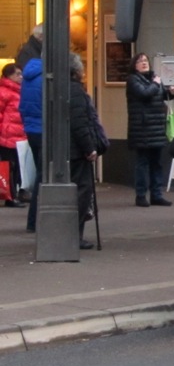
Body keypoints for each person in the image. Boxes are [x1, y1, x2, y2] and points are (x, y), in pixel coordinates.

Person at [125, 53, 174, 207]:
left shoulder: (155, 78)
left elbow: (162, 96)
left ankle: (157, 194)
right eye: (140, 61)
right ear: (134, 65)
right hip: (142, 128)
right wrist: (156, 84)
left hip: (157, 127)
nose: (144, 63)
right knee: (142, 163)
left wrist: (171, 93)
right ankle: (141, 195)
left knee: (157, 163)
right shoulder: (133, 80)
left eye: (146, 60)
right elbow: (144, 94)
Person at [67, 53, 101, 250]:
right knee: (82, 191)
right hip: (77, 151)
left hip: (68, 150)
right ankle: (75, 234)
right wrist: (90, 148)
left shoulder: (60, 88)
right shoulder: (76, 92)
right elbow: (80, 124)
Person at [19, 52, 43, 233]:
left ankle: (33, 221)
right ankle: (34, 220)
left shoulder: (29, 76)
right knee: (44, 176)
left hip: (31, 128)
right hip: (44, 129)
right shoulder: (47, 75)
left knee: (40, 174)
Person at [0, 64, 26, 207]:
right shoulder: (5, 92)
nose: (20, 77)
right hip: (8, 136)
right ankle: (10, 196)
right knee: (10, 167)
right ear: (8, 76)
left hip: (17, 136)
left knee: (15, 167)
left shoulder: (18, 91)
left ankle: (13, 194)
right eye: (17, 74)